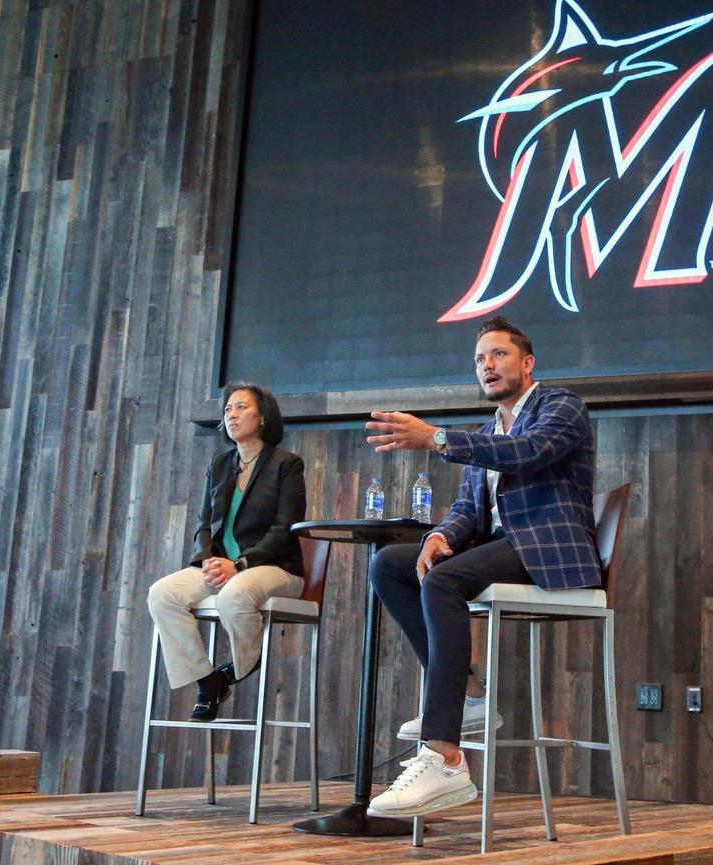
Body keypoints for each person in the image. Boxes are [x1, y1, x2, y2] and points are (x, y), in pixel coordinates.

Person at [362, 316, 600, 817]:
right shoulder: (488, 430)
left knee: (446, 581)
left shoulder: (562, 406)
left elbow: (530, 453)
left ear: (527, 362)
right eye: (479, 359)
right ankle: (469, 696)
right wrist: (439, 536)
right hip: (501, 549)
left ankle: (444, 755)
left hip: (550, 549)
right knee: (391, 564)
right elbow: (470, 508)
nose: (487, 366)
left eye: (499, 355)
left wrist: (438, 438)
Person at [147, 382, 307, 722]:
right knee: (161, 594)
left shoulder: (286, 465)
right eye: (227, 409)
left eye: (241, 407)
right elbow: (204, 523)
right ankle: (208, 680)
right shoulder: (219, 464)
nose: (231, 415)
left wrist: (240, 564)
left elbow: (285, 528)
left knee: (232, 596)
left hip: (275, 568)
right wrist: (208, 560)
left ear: (262, 417)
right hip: (224, 567)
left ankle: (240, 666)